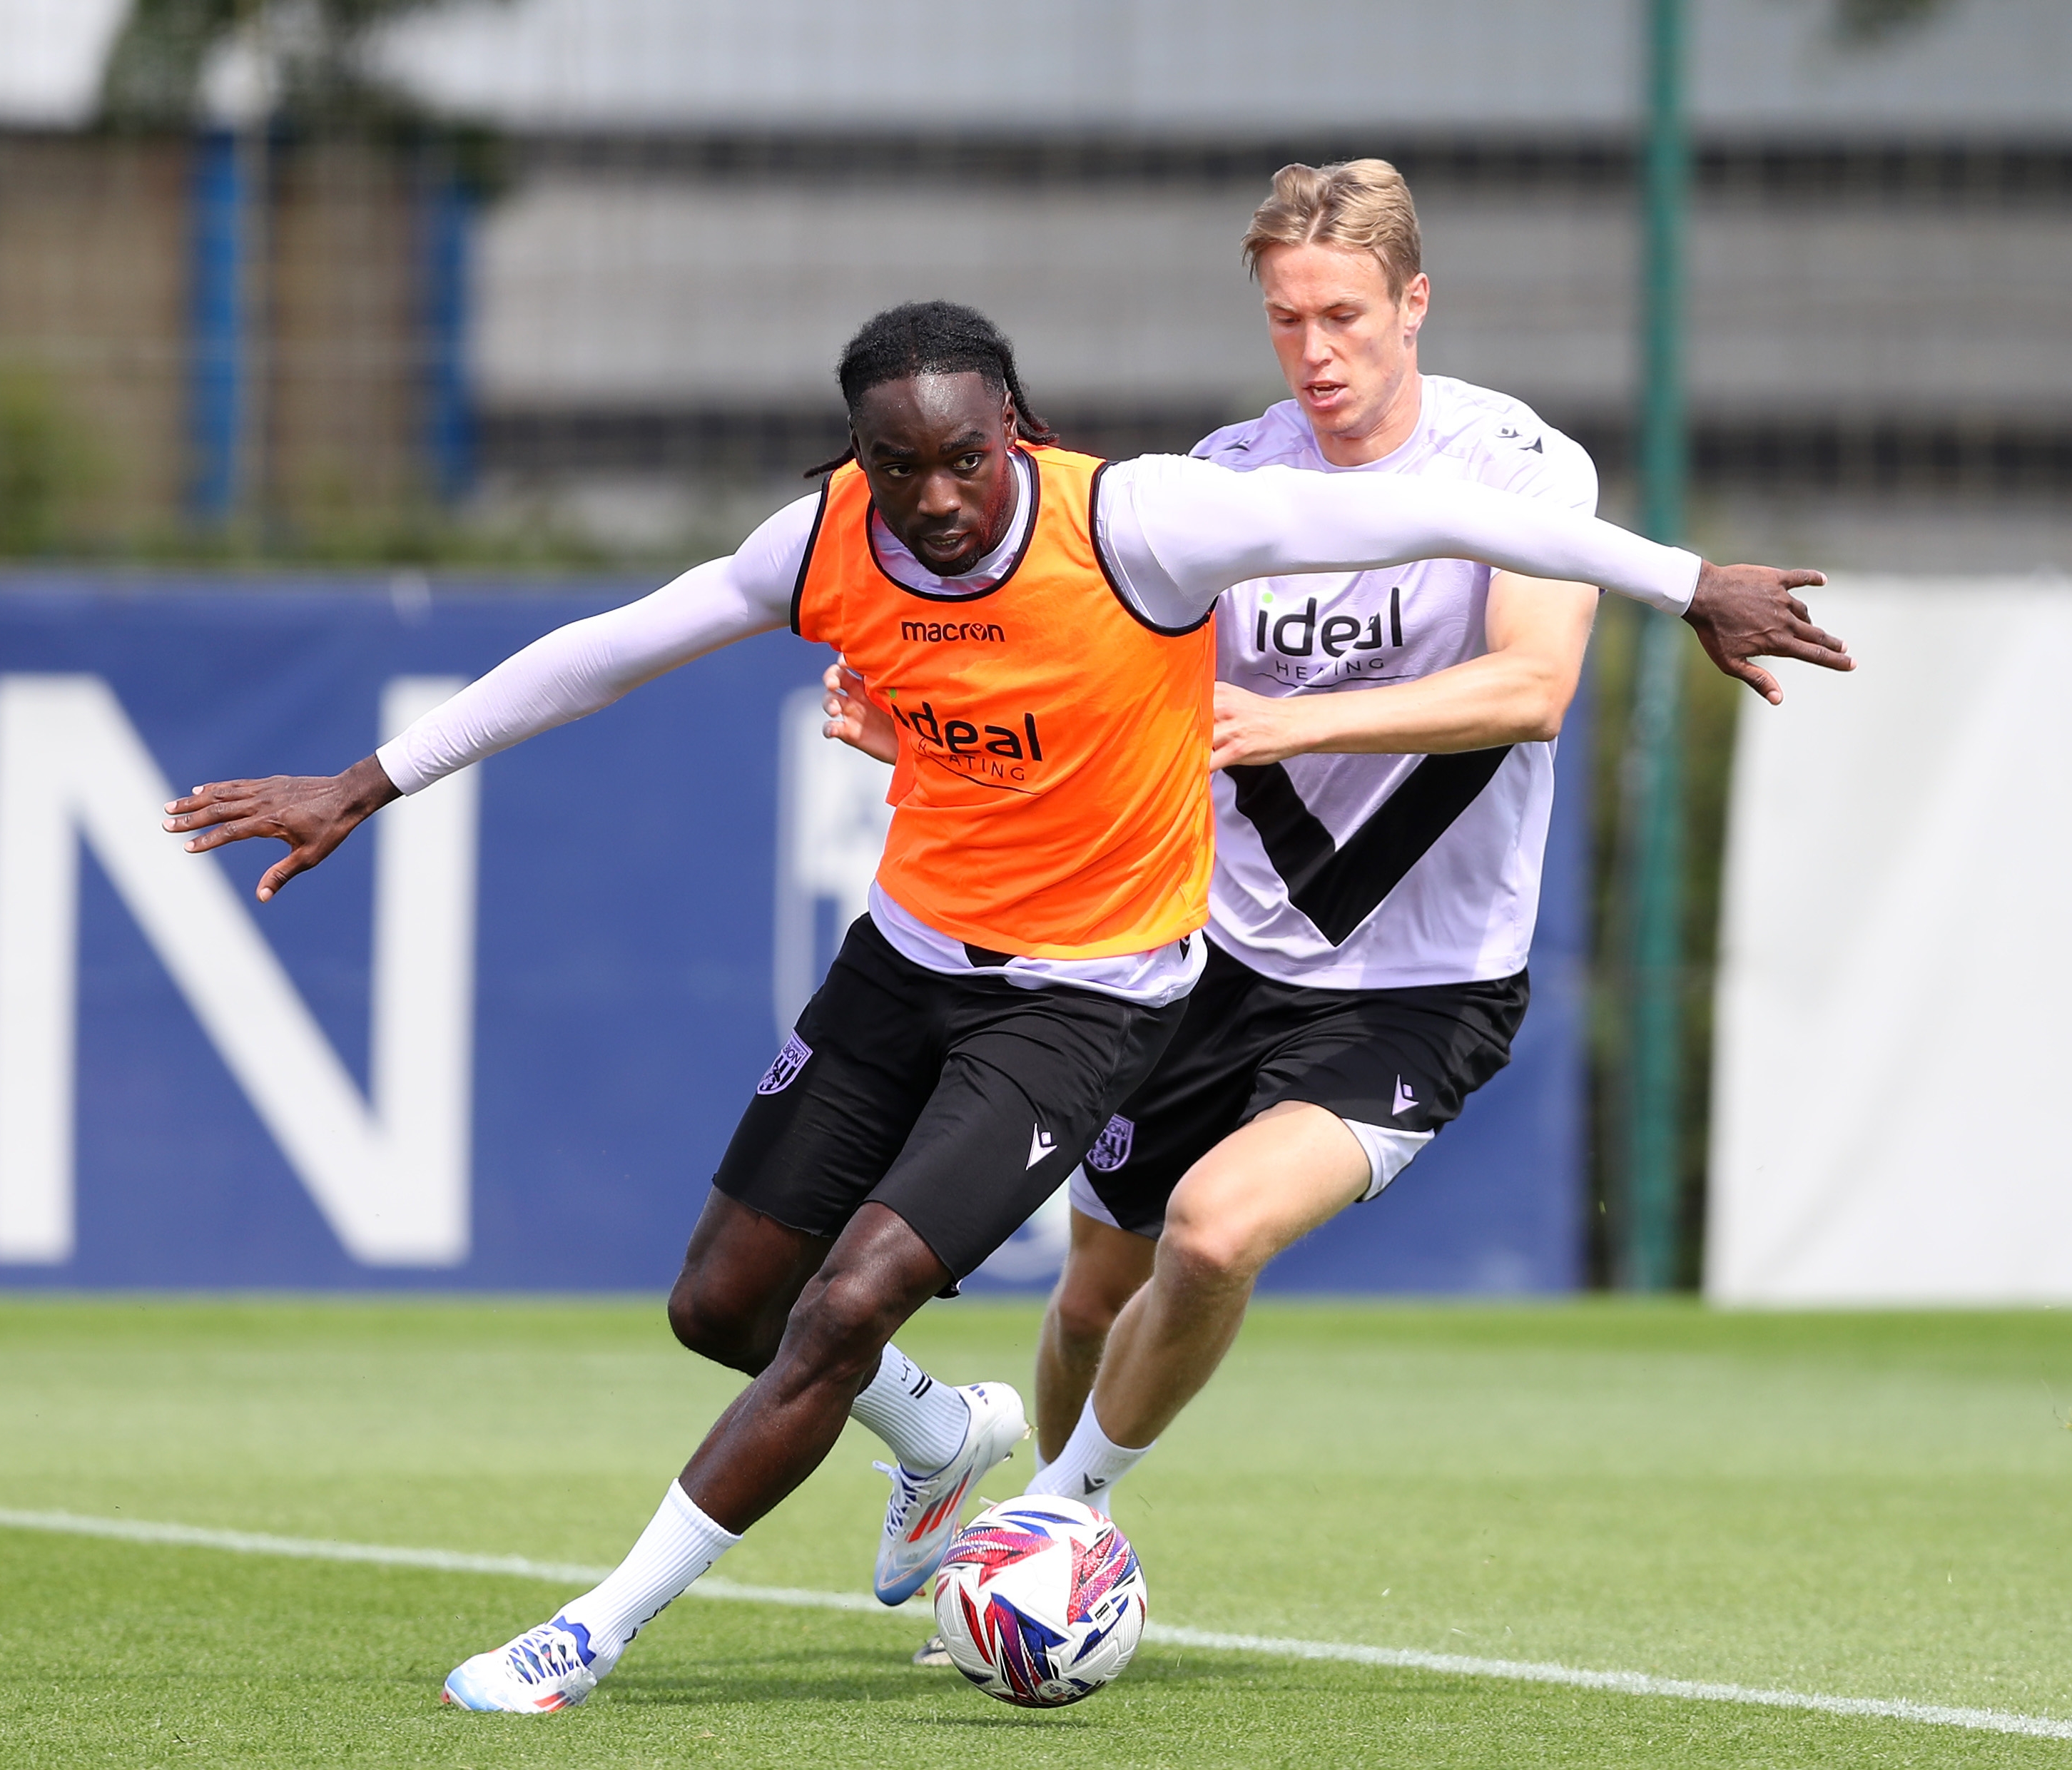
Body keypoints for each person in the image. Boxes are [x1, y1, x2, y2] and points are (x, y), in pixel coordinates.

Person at [165, 297, 1838, 1715]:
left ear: (1018, 430)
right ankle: (942, 1432)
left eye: (967, 455)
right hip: (902, 964)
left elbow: (1463, 523)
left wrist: (1684, 580)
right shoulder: (821, 542)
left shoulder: (1145, 525)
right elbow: (608, 646)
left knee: (850, 1297)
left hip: (1085, 1001)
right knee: (726, 1306)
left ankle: (588, 1626)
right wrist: (367, 780)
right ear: (856, 462)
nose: (940, 494)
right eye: (901, 465)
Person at [827, 165, 1847, 1661]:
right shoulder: (1230, 478)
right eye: (1288, 316)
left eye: (1347, 315)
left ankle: (1043, 1531)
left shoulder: (1516, 468)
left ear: (1414, 301)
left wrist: (1276, 724)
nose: (1316, 349)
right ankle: (1031, 1533)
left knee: (1215, 1226)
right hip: (1207, 956)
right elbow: (1106, 700)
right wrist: (923, 731)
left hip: (1419, 984)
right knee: (1097, 1277)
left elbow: (1530, 691)